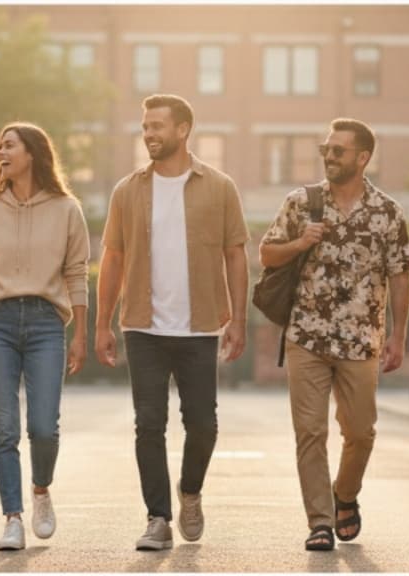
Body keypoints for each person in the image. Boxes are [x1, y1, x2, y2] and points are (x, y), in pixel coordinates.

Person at [96, 94, 249, 551]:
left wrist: (238, 319)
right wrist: (102, 323)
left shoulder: (219, 186)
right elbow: (113, 257)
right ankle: (158, 518)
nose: (149, 134)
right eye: (145, 126)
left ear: (182, 130)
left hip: (200, 326)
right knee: (149, 423)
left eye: (157, 126)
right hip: (143, 327)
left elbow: (236, 254)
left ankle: (191, 491)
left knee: (203, 424)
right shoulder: (128, 190)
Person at [258, 118, 409, 552]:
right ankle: (320, 521)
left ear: (362, 158)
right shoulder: (301, 203)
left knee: (361, 432)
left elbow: (401, 276)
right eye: (326, 149)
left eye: (338, 151)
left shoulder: (388, 213)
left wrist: (399, 337)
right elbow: (267, 253)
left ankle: (345, 495)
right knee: (309, 432)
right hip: (306, 336)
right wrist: (300, 243)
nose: (329, 156)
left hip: (361, 341)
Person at [0, 122, 91, 551]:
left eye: (9, 145)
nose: (1, 151)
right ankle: (12, 517)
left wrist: (80, 335)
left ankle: (40, 490)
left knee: (44, 427)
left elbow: (76, 275)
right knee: (4, 429)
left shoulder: (67, 208)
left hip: (46, 323)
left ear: (32, 153)